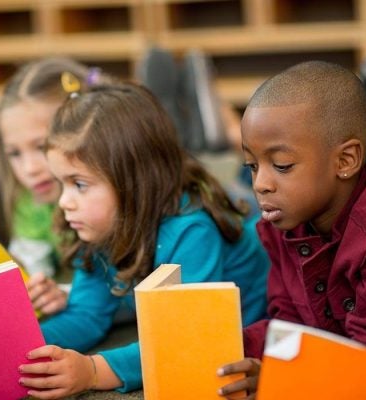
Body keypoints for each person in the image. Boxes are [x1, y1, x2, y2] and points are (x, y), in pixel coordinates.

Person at [17, 82, 270, 398]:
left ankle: (218, 130)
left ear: (134, 185)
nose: (64, 202)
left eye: (79, 184)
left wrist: (94, 370)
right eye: (61, 184)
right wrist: (21, 346)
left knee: (259, 197)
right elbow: (86, 315)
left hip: (271, 273)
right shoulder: (96, 225)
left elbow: (182, 341)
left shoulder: (192, 233)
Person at [216, 60, 366, 398]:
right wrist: (231, 351)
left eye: (282, 165)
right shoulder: (284, 223)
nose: (261, 183)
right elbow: (288, 325)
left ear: (345, 161)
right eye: (251, 166)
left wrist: (284, 378)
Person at [0, 57, 112, 315]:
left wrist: (68, 295)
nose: (29, 169)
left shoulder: (107, 201)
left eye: (42, 147)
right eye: (15, 153)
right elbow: (36, 272)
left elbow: (123, 288)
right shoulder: (29, 201)